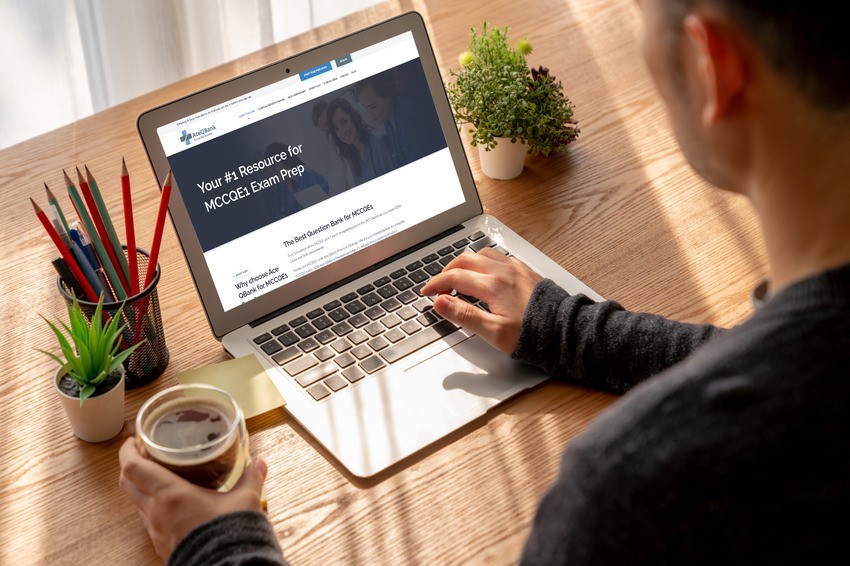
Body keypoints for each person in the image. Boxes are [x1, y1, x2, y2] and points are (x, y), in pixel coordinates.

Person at [119, 0, 850, 563]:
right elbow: (785, 368)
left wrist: (218, 545)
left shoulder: (634, 493)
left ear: (709, 65)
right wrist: (572, 331)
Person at [353, 72, 437, 167]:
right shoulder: (387, 122)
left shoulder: (406, 115)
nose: (370, 114)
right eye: (365, 108)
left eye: (373, 107)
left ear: (387, 94)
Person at [325, 97, 394, 185]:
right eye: (337, 128)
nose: (342, 131)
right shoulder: (353, 160)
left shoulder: (380, 143)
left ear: (353, 118)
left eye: (344, 122)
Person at [310, 100, 352, 196]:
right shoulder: (332, 139)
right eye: (324, 129)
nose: (329, 129)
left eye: (327, 123)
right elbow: (338, 171)